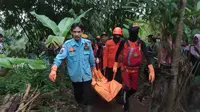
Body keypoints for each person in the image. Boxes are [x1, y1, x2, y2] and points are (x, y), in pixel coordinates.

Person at [49, 23, 98, 112]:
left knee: (87, 96)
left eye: (79, 32)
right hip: (75, 78)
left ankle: (87, 108)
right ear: (71, 32)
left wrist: (94, 68)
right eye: (74, 32)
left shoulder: (87, 43)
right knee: (78, 97)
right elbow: (59, 58)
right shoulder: (67, 45)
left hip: (87, 75)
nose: (77, 34)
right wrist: (53, 69)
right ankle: (81, 106)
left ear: (82, 32)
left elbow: (91, 57)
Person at [113, 24, 155, 112]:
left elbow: (147, 55)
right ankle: (126, 108)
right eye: (132, 31)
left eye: (135, 31)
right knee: (127, 87)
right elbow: (117, 53)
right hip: (125, 69)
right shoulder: (124, 42)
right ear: (129, 32)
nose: (133, 33)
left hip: (135, 70)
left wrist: (151, 69)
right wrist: (115, 65)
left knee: (134, 89)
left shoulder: (140, 43)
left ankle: (125, 96)